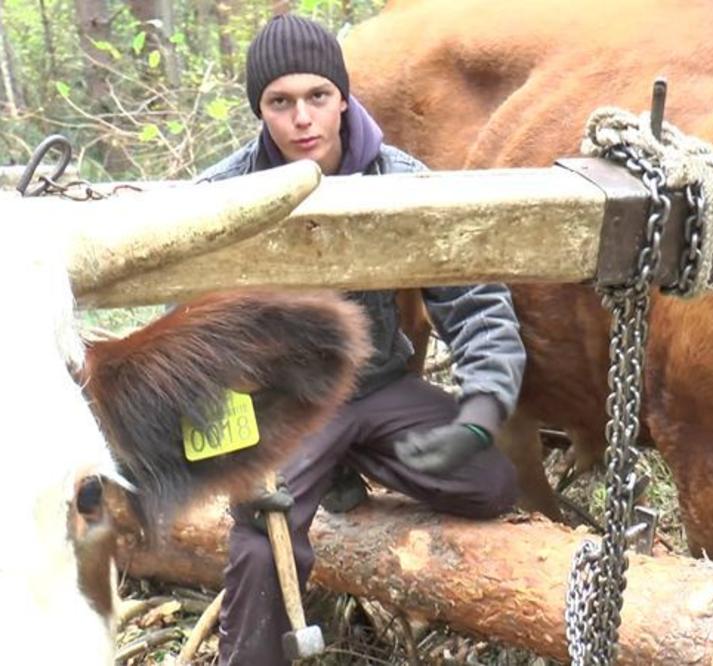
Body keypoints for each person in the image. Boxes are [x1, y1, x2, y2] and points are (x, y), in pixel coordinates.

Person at [198, 14, 526, 665]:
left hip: (377, 388)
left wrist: (481, 410)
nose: (302, 119)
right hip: (285, 409)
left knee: (489, 484)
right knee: (264, 540)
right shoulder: (219, 198)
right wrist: (234, 459)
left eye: (317, 96)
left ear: (343, 96)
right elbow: (193, 352)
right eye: (280, 102)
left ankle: (356, 462)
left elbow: (474, 297)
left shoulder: (401, 180)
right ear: (259, 110)